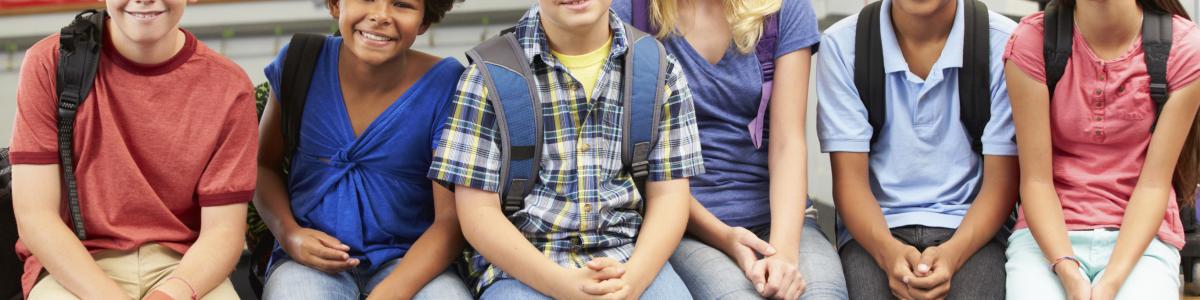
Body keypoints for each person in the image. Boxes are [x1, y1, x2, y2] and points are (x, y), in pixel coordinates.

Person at [427, 0, 706, 298]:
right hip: (522, 266)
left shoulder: (658, 70)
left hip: (630, 258)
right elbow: (478, 212)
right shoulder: (489, 76)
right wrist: (562, 285)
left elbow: (669, 197)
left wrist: (634, 279)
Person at [11, 0, 258, 298]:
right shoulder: (49, 62)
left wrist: (171, 293)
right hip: (76, 266)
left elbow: (223, 232)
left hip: (184, 267)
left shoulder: (229, 86)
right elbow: (35, 217)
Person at [612, 0, 847, 299]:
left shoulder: (784, 8)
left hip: (779, 219)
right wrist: (725, 238)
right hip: (686, 225)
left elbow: (787, 143)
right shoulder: (631, 12)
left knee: (822, 295)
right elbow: (642, 163)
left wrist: (782, 255)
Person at [253, 0, 473, 299]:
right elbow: (263, 165)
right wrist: (290, 235)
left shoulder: (447, 84)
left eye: (402, 4)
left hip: (413, 264)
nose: (380, 16)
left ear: (424, 20)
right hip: (306, 264)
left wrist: (390, 293)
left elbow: (450, 220)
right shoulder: (299, 62)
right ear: (334, 4)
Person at [816, 0, 1020, 298]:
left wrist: (953, 254)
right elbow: (850, 182)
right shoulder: (843, 45)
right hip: (876, 230)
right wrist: (888, 253)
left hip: (972, 228)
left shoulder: (1004, 42)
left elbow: (1002, 184)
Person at [1003, 0, 1200, 298]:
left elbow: (1153, 185)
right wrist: (1069, 272)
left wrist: (1110, 283)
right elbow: (1036, 181)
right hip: (1046, 236)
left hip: (1142, 239)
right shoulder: (1032, 40)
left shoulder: (1184, 47)